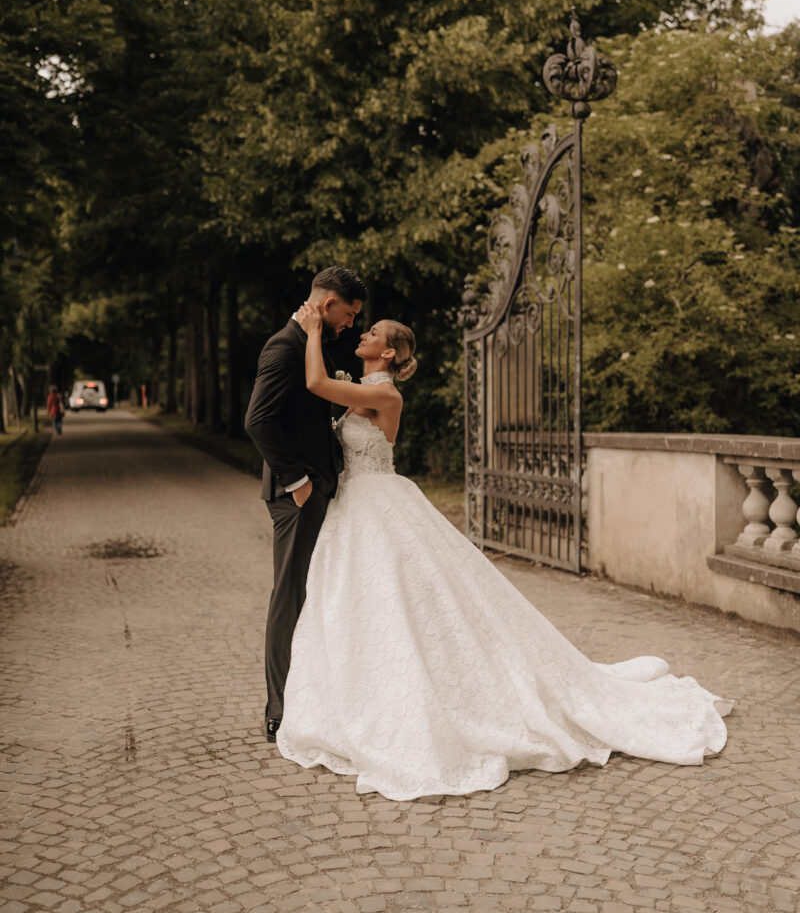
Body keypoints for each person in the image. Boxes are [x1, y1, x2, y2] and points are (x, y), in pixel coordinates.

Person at [275, 302, 733, 801]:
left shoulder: (384, 394)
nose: (364, 334)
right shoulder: (364, 389)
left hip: (377, 503)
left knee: (401, 604)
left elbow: (318, 384)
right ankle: (359, 697)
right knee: (365, 608)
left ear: (387, 352)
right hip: (358, 506)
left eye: (374, 332)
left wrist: (314, 329)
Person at [244, 266, 367, 743]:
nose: (352, 324)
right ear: (326, 301)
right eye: (349, 314)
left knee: (314, 593)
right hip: (297, 494)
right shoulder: (284, 346)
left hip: (317, 486)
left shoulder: (314, 343)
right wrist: (296, 481)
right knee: (289, 595)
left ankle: (313, 697)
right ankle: (279, 710)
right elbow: (258, 421)